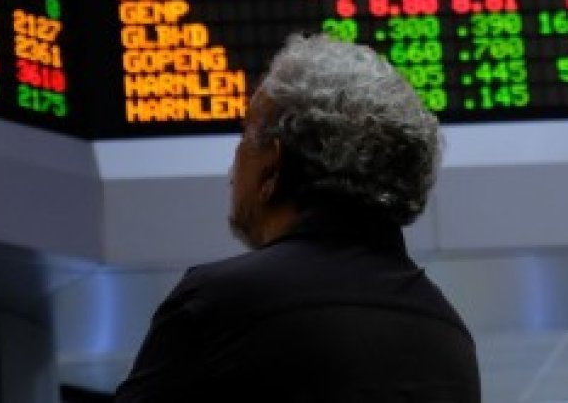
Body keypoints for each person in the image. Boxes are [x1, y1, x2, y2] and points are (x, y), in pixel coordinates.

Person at [114, 33, 481, 402]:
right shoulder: (449, 335)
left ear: (272, 167)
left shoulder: (218, 304)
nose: (232, 167)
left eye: (245, 135)